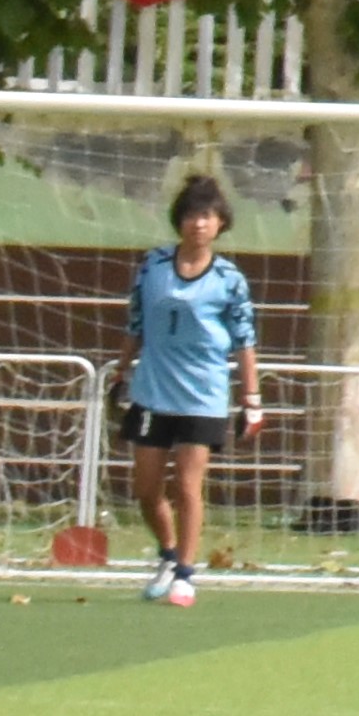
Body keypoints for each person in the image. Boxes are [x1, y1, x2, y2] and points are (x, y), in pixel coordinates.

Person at [125, 173, 262, 604]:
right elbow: (135, 321)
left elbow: (244, 341)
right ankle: (167, 553)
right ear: (179, 221)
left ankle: (186, 572)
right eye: (190, 215)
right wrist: (120, 370)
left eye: (206, 216)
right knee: (145, 488)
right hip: (152, 391)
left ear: (220, 223)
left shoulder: (229, 279)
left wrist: (251, 401)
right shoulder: (153, 266)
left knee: (187, 486)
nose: (198, 224)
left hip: (203, 395)